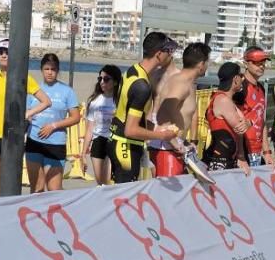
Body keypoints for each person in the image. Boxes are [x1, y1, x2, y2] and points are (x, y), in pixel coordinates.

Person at [108, 31, 181, 183]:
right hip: (126, 147)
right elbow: (131, 129)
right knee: (125, 201)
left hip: (117, 141)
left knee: (121, 198)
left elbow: (132, 114)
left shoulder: (133, 70)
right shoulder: (142, 86)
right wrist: (162, 136)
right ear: (159, 54)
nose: (171, 55)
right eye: (169, 51)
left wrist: (158, 129)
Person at [0, 38, 50, 158]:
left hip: (13, 137)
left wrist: (28, 113)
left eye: (7, 52)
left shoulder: (24, 77)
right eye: (0, 52)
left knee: (9, 175)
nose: (4, 55)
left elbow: (46, 101)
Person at [148, 40, 209, 177]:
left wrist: (184, 142)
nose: (207, 66)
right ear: (201, 65)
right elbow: (163, 114)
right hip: (167, 149)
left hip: (172, 147)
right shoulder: (181, 83)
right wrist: (176, 143)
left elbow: (177, 116)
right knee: (168, 197)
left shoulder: (187, 82)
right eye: (207, 62)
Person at [24, 53, 80, 193]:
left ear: (58, 70)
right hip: (34, 141)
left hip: (55, 144)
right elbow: (27, 113)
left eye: (53, 69)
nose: (50, 73)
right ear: (42, 69)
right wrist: (28, 118)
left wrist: (53, 126)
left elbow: (75, 117)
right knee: (36, 189)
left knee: (54, 190)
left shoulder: (67, 91)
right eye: (47, 69)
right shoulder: (34, 90)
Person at [204, 62, 251, 173]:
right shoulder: (223, 100)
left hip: (223, 158)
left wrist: (248, 122)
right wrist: (241, 156)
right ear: (235, 79)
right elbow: (240, 128)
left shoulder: (223, 99)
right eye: (241, 76)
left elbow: (242, 124)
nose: (243, 79)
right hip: (221, 161)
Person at [233, 46, 274, 167]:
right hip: (242, 149)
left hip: (256, 150)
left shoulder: (261, 88)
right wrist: (240, 155)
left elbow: (262, 121)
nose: (261, 66)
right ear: (246, 63)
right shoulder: (240, 86)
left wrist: (266, 152)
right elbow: (235, 121)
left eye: (263, 63)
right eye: (257, 63)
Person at [81, 65, 120, 186]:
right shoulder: (95, 101)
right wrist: (83, 154)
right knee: (100, 182)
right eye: (100, 79)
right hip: (98, 141)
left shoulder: (119, 101)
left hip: (114, 141)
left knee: (108, 181)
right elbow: (90, 129)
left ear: (115, 82)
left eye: (106, 79)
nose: (102, 82)